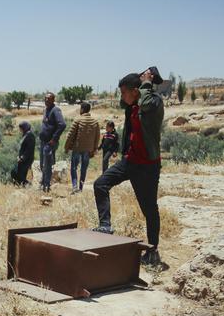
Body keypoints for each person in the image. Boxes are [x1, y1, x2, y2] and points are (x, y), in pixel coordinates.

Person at [93, 70, 165, 267]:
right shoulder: (131, 106)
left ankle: (152, 250)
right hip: (130, 161)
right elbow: (123, 103)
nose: (122, 96)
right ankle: (105, 226)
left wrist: (148, 82)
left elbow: (147, 102)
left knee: (149, 209)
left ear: (136, 91)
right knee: (100, 184)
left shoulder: (155, 102)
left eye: (124, 92)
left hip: (148, 165)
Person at [64, 102, 101, 192]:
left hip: (77, 148)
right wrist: (94, 149)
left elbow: (70, 135)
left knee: (74, 167)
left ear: (82, 109)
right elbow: (97, 137)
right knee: (84, 168)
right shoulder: (95, 122)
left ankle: (74, 187)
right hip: (88, 150)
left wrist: (66, 147)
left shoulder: (78, 120)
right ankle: (81, 188)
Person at [39, 92, 66, 193]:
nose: (46, 100)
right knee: (42, 164)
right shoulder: (46, 110)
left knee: (47, 164)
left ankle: (46, 186)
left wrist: (54, 139)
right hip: (43, 142)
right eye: (45, 98)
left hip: (49, 143)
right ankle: (43, 183)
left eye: (49, 99)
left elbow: (62, 124)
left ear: (53, 100)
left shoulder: (55, 110)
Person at [11, 121, 36, 186]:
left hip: (26, 159)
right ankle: (22, 185)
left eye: (21, 128)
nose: (20, 130)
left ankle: (28, 185)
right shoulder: (25, 134)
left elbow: (29, 150)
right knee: (15, 172)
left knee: (20, 175)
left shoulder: (30, 135)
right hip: (22, 159)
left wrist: (22, 158)